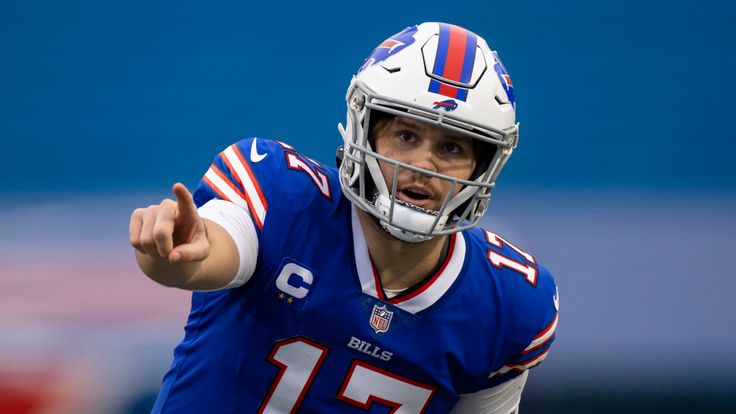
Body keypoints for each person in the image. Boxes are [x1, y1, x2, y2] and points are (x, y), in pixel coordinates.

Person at [129, 22, 558, 414]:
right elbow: (207, 253)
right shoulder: (281, 193)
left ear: (482, 169)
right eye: (406, 135)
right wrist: (173, 254)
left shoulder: (508, 304)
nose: (424, 164)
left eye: (452, 148)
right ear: (363, 129)